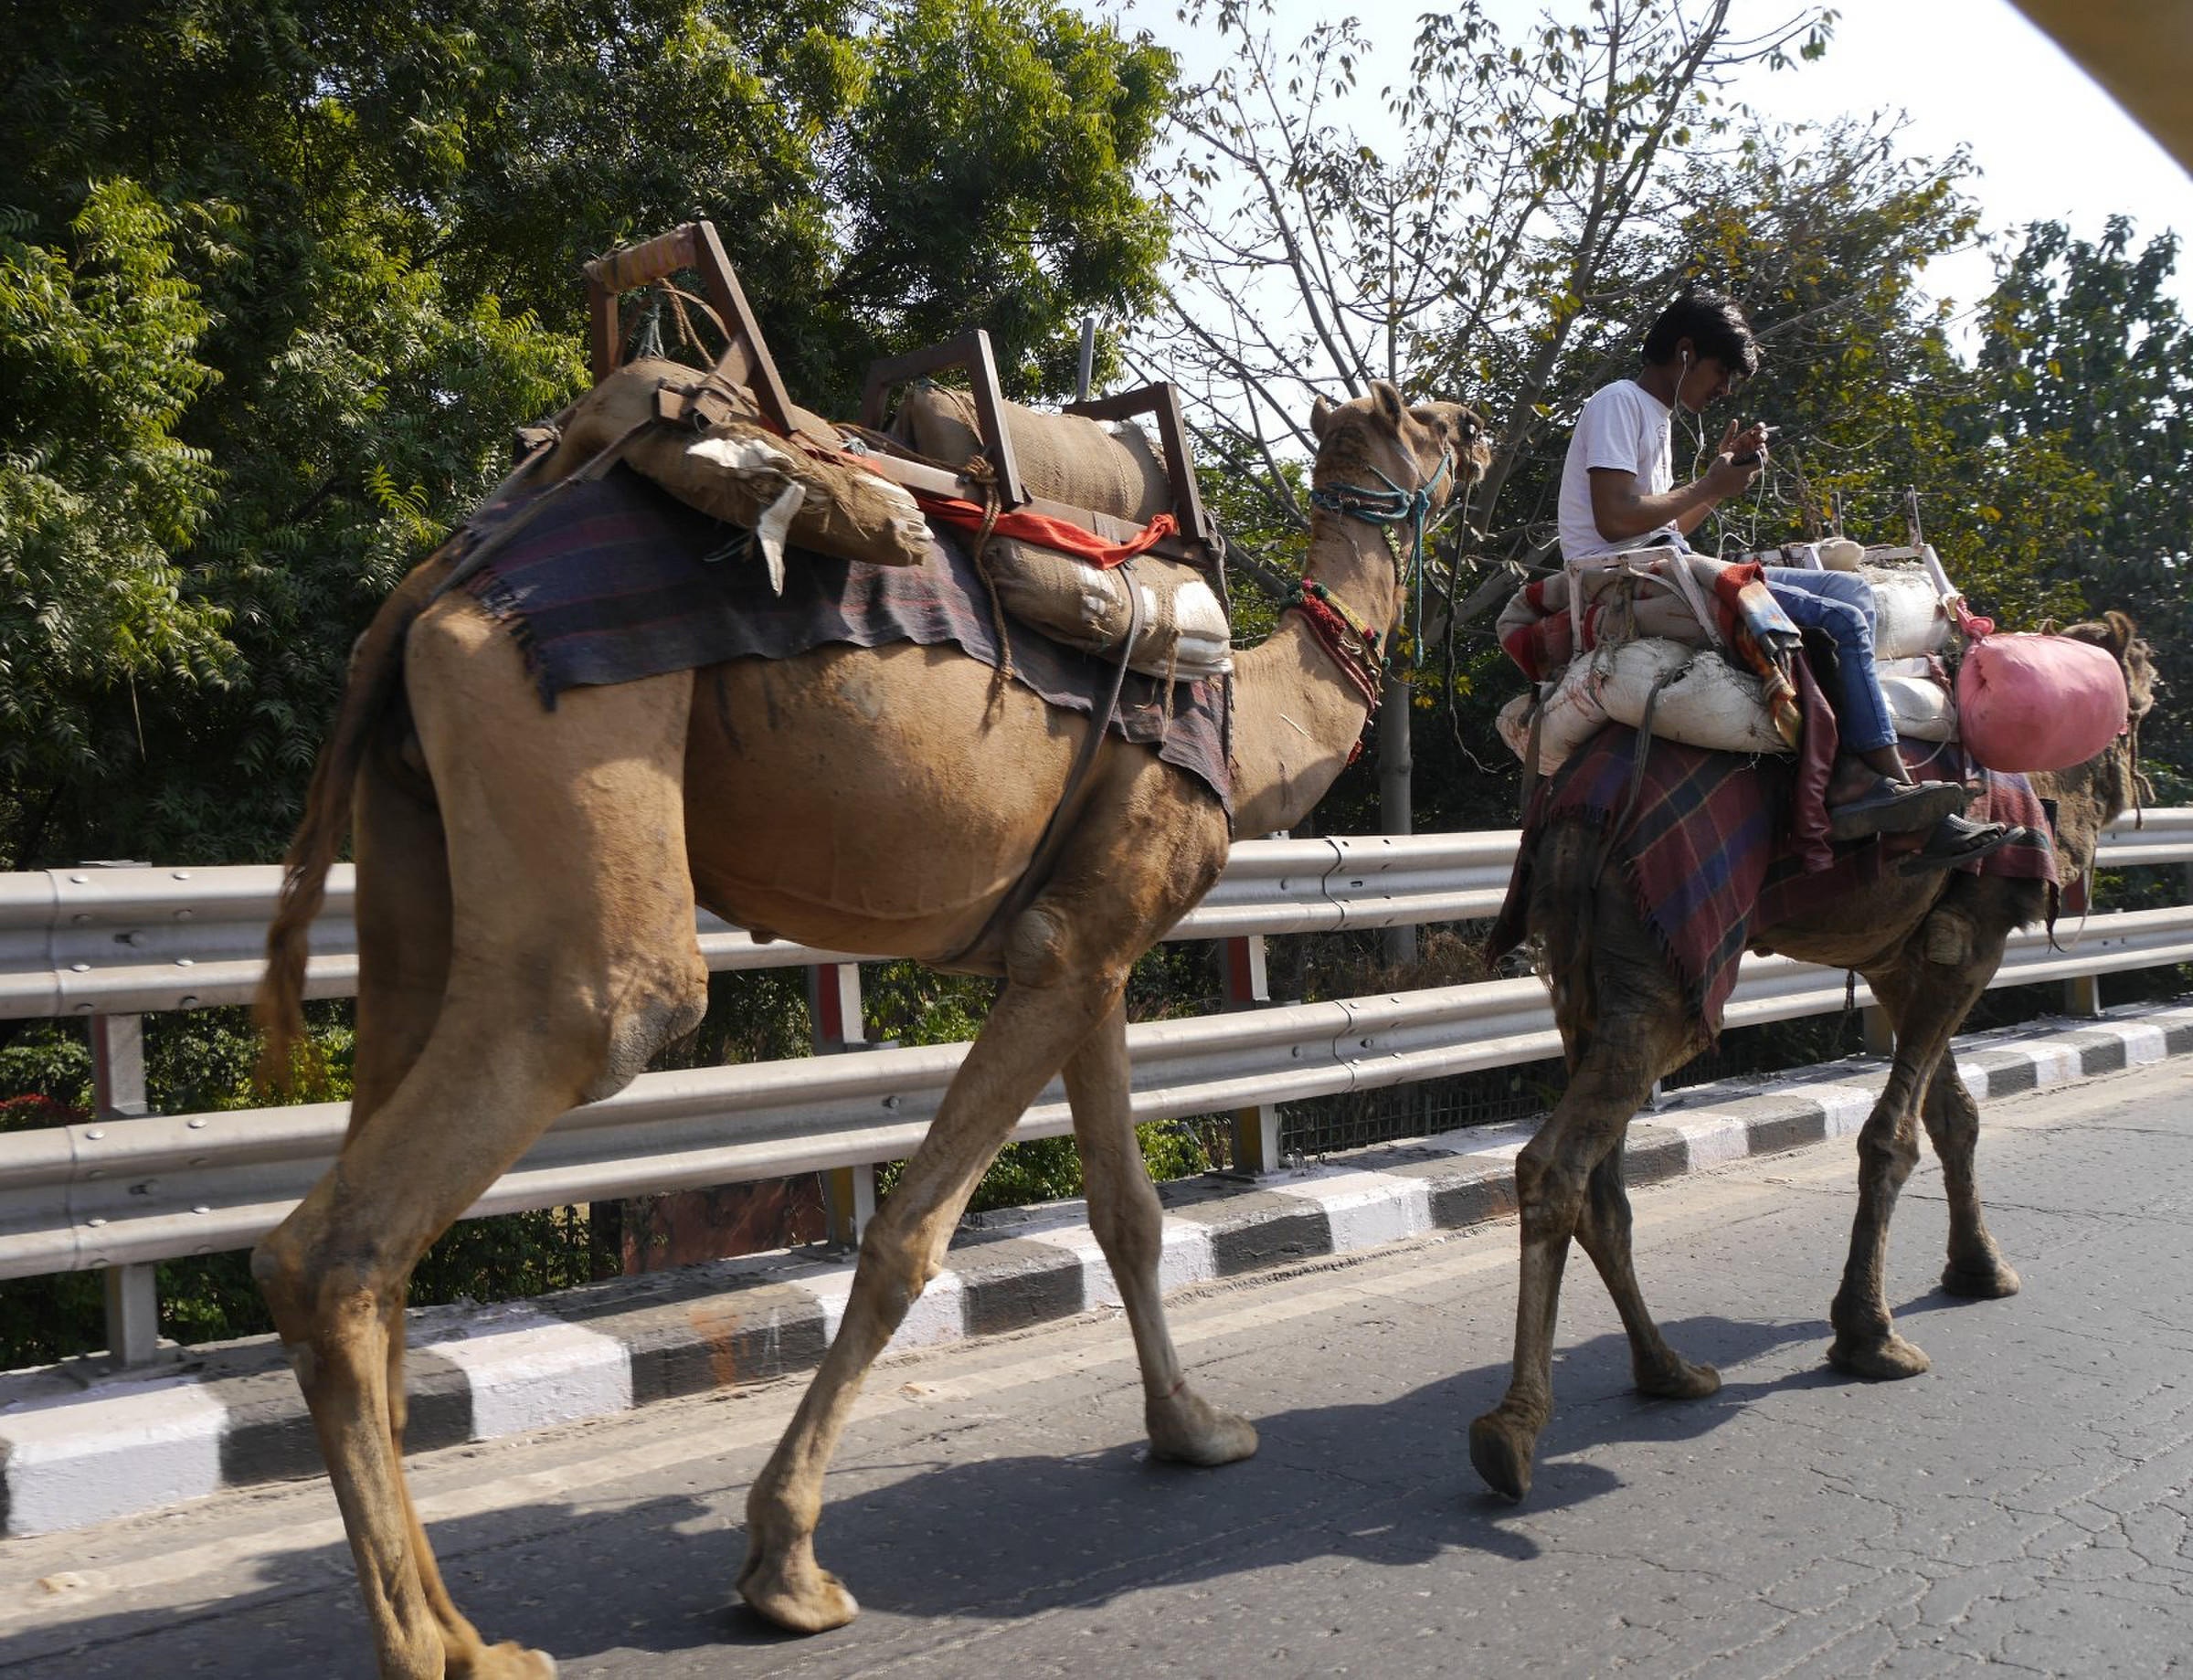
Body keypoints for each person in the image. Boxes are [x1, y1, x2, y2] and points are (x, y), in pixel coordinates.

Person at [1556, 289, 2008, 866]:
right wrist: (1708, 486)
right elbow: (1615, 518)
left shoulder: (1656, 416)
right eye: (1721, 373)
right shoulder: (1619, 402)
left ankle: (1855, 766)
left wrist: (1720, 481)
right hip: (1632, 580)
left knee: (1851, 593)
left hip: (1662, 565)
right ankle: (1878, 785)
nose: (1723, 391)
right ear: (1687, 352)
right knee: (1841, 617)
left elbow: (1670, 523)